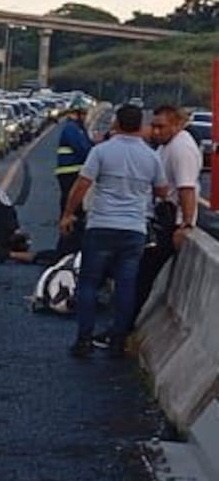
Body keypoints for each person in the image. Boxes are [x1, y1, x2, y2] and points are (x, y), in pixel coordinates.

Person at [58, 102, 168, 361]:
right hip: (134, 230)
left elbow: (82, 185)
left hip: (101, 226)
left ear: (116, 123)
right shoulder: (151, 156)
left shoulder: (101, 151)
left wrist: (68, 214)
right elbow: (162, 191)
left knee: (89, 283)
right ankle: (118, 340)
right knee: (126, 285)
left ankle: (84, 340)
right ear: (140, 126)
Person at [135, 103, 203, 313]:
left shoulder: (182, 149)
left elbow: (186, 189)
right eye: (154, 126)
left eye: (161, 127)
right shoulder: (167, 145)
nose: (156, 131)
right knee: (137, 273)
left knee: (142, 277)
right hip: (160, 218)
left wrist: (186, 225)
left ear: (177, 125)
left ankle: (123, 328)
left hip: (171, 223)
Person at [54, 99, 93, 249]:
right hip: (70, 174)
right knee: (72, 210)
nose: (86, 117)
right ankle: (67, 246)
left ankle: (71, 244)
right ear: (77, 113)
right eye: (84, 113)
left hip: (73, 173)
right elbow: (84, 149)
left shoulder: (78, 128)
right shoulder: (72, 128)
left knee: (76, 210)